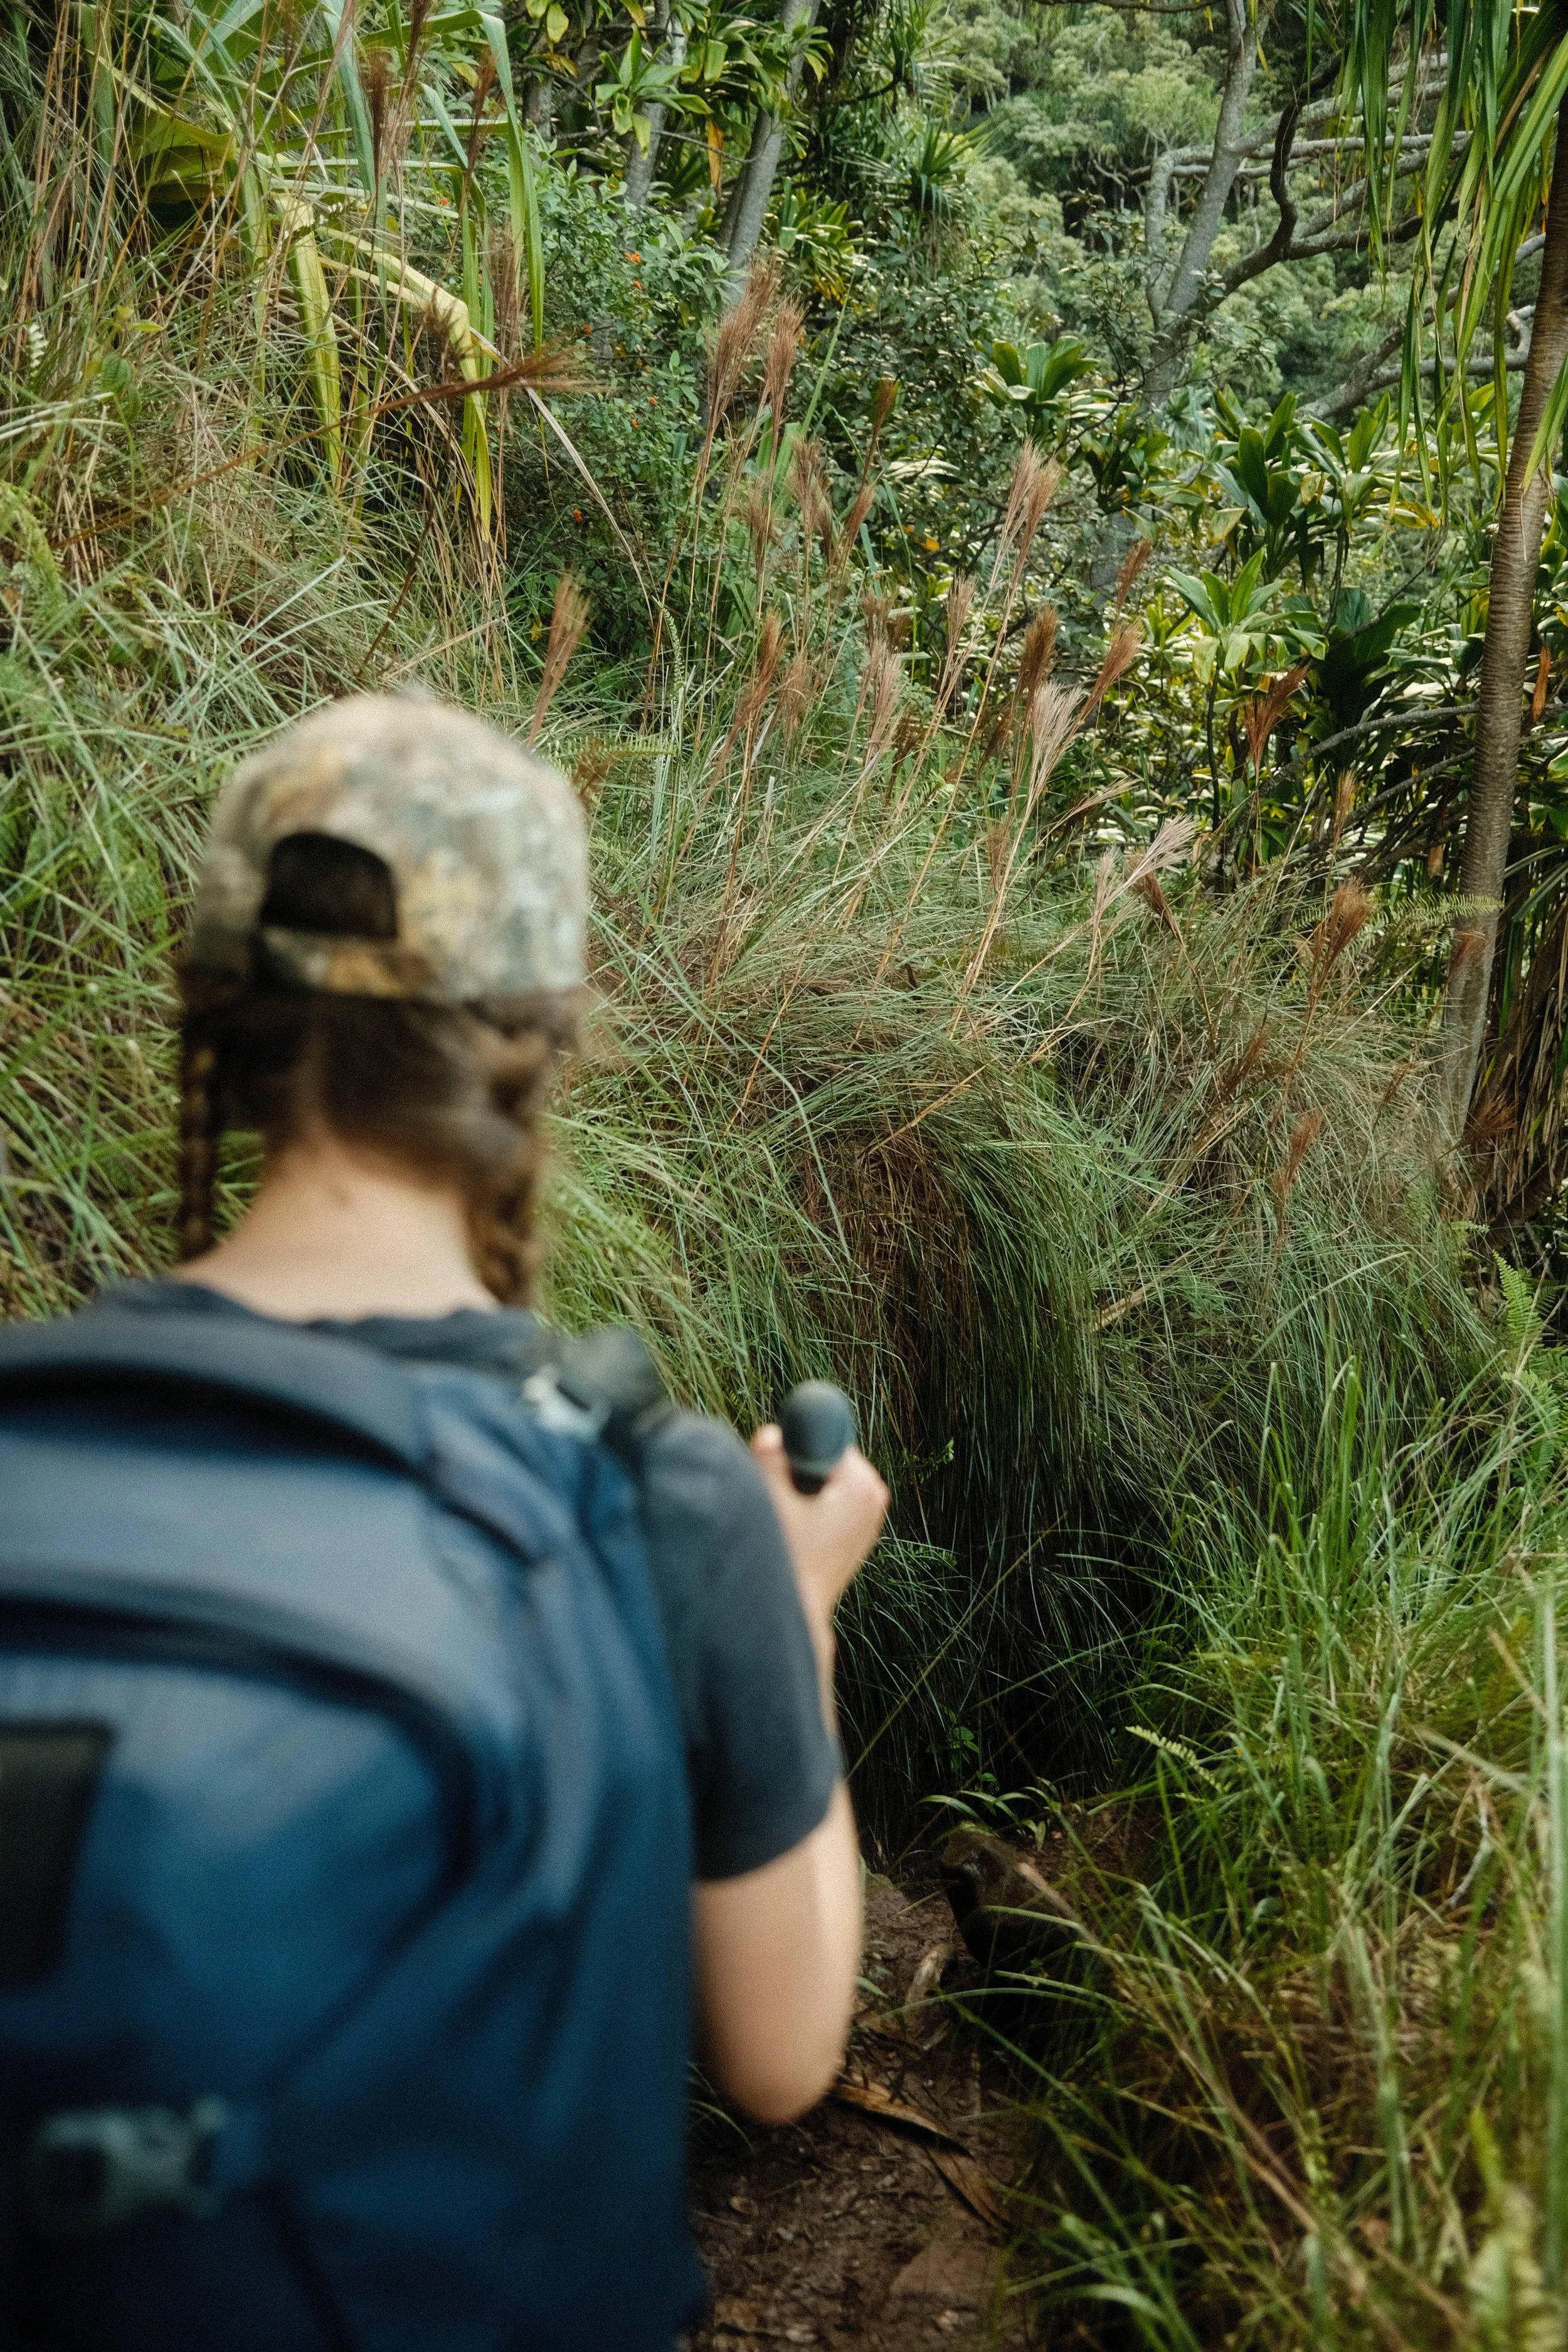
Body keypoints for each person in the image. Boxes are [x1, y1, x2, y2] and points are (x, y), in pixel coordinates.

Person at [0, 695, 888, 2352]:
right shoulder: (654, 1498)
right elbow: (782, 2052)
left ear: (215, 1016)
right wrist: (800, 1605)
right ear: (536, 1038)